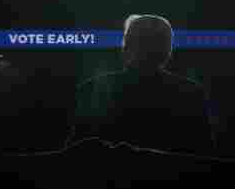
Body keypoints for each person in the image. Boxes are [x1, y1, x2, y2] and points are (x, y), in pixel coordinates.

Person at [67, 14, 214, 154]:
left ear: (126, 47)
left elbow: (76, 154)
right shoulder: (191, 93)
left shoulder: (91, 90)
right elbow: (204, 155)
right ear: (167, 51)